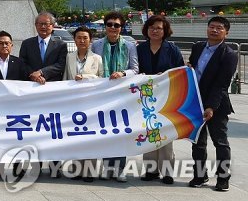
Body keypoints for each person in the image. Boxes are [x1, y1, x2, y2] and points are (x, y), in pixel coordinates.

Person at [188, 16, 238, 192]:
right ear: (207, 28)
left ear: (226, 32)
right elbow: (191, 71)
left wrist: (211, 107)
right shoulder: (198, 47)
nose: (214, 30)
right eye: (212, 27)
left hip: (217, 105)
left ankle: (223, 178)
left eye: (219, 28)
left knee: (220, 143)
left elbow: (221, 84)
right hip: (196, 102)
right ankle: (200, 175)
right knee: (198, 142)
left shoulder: (229, 54)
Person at [135, 15, 184, 185]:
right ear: (146, 30)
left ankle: (167, 171)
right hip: (145, 97)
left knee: (165, 132)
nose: (155, 31)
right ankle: (151, 170)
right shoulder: (139, 49)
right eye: (151, 28)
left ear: (165, 31)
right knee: (149, 130)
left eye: (158, 28)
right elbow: (134, 70)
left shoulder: (173, 49)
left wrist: (162, 77)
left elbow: (180, 73)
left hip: (166, 97)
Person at [19, 11, 68, 178]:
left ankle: (55, 167)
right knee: (35, 131)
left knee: (54, 131)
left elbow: (60, 65)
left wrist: (41, 72)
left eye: (46, 24)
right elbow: (22, 64)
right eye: (40, 24)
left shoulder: (60, 44)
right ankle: (36, 166)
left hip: (53, 93)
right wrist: (33, 74)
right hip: (32, 94)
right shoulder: (27, 44)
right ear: (35, 26)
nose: (43, 27)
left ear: (52, 26)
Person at [91, 11, 137, 182]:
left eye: (116, 25)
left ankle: (120, 169)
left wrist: (123, 73)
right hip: (102, 95)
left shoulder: (130, 46)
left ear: (121, 27)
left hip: (122, 95)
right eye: (109, 24)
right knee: (104, 131)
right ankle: (107, 167)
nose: (112, 28)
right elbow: (92, 66)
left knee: (121, 131)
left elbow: (135, 69)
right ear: (105, 26)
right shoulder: (96, 45)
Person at [0, 30, 30, 179]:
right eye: (1, 43)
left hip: (16, 108)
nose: (4, 45)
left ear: (12, 45)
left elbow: (27, 81)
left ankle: (18, 167)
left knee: (17, 138)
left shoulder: (20, 63)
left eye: (7, 43)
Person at [63, 26, 103, 183]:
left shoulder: (97, 58)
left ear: (90, 40)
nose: (82, 41)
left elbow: (102, 79)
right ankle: (76, 168)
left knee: (90, 137)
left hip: (91, 102)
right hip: (74, 102)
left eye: (85, 38)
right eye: (79, 38)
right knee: (75, 136)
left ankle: (90, 170)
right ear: (74, 40)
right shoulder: (69, 57)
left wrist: (86, 77)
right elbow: (66, 77)